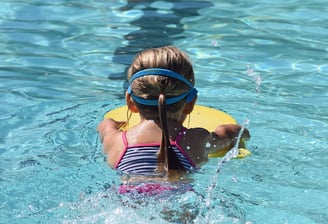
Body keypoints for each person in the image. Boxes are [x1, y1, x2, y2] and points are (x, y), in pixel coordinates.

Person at [98, 46, 250, 183]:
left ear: (130, 102)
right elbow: (230, 134)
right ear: (190, 103)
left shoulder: (115, 141)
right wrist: (240, 132)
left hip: (125, 207)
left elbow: (104, 126)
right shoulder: (195, 140)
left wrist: (111, 123)